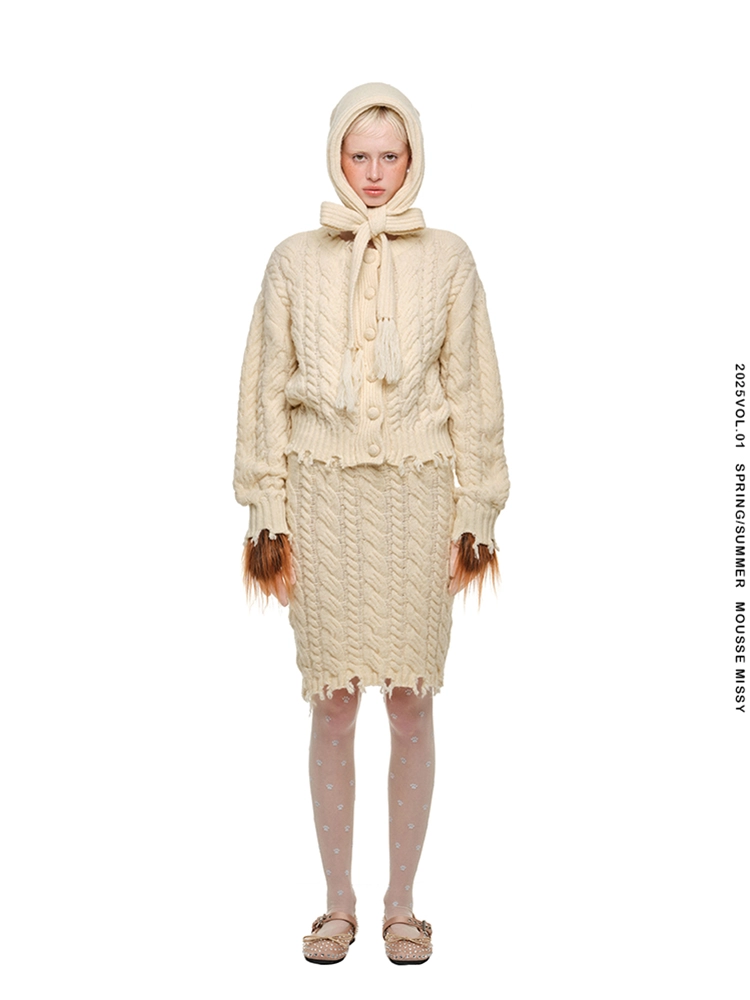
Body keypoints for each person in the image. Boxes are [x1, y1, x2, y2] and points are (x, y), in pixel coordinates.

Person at [233, 82, 509, 965]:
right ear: (337, 158)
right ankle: (337, 904)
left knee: (412, 702)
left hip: (418, 497)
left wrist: (477, 508)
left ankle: (403, 904)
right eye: (361, 155)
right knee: (334, 702)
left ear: (413, 157)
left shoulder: (450, 258)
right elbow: (263, 390)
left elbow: (474, 387)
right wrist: (266, 510)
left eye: (391, 155)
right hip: (321, 499)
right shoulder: (292, 259)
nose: (376, 173)